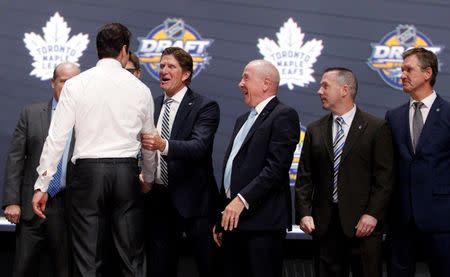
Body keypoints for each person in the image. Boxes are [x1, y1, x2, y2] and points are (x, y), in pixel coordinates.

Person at [31, 23, 156, 277]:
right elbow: (149, 140)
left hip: (87, 175)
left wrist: (42, 184)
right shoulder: (141, 89)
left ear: (98, 50)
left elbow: (56, 138)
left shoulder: (76, 85)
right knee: (132, 258)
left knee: (87, 259)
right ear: (124, 50)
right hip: (125, 174)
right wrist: (150, 178)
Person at [295, 67, 394, 277]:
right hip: (325, 228)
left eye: (325, 86)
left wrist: (372, 214)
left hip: (363, 228)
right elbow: (305, 177)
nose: (319, 91)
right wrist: (304, 213)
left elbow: (384, 178)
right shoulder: (315, 129)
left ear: (344, 90)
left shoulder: (376, 127)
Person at [213, 59, 299, 277]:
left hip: (263, 226)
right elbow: (235, 170)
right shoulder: (243, 119)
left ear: (266, 83)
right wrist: (222, 218)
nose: (240, 84)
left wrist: (241, 200)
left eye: (246, 78)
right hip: (234, 223)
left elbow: (275, 169)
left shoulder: (284, 115)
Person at [141, 46, 220, 277]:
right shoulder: (151, 105)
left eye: (171, 66)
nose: (163, 70)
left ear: (185, 74)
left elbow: (199, 147)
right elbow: (141, 146)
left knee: (207, 266)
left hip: (194, 201)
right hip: (158, 200)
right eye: (161, 66)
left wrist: (163, 145)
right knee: (159, 269)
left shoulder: (204, 107)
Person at [2, 62, 80, 277]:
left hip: (69, 208)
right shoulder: (31, 113)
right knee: (22, 270)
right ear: (53, 82)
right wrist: (12, 201)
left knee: (64, 271)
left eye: (75, 82)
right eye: (64, 81)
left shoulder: (87, 119)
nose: (69, 86)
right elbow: (16, 158)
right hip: (30, 206)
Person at [385, 47, 450, 277]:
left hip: (442, 217)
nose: (402, 75)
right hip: (401, 217)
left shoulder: (448, 113)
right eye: (401, 69)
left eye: (408, 69)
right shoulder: (393, 116)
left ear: (427, 73)